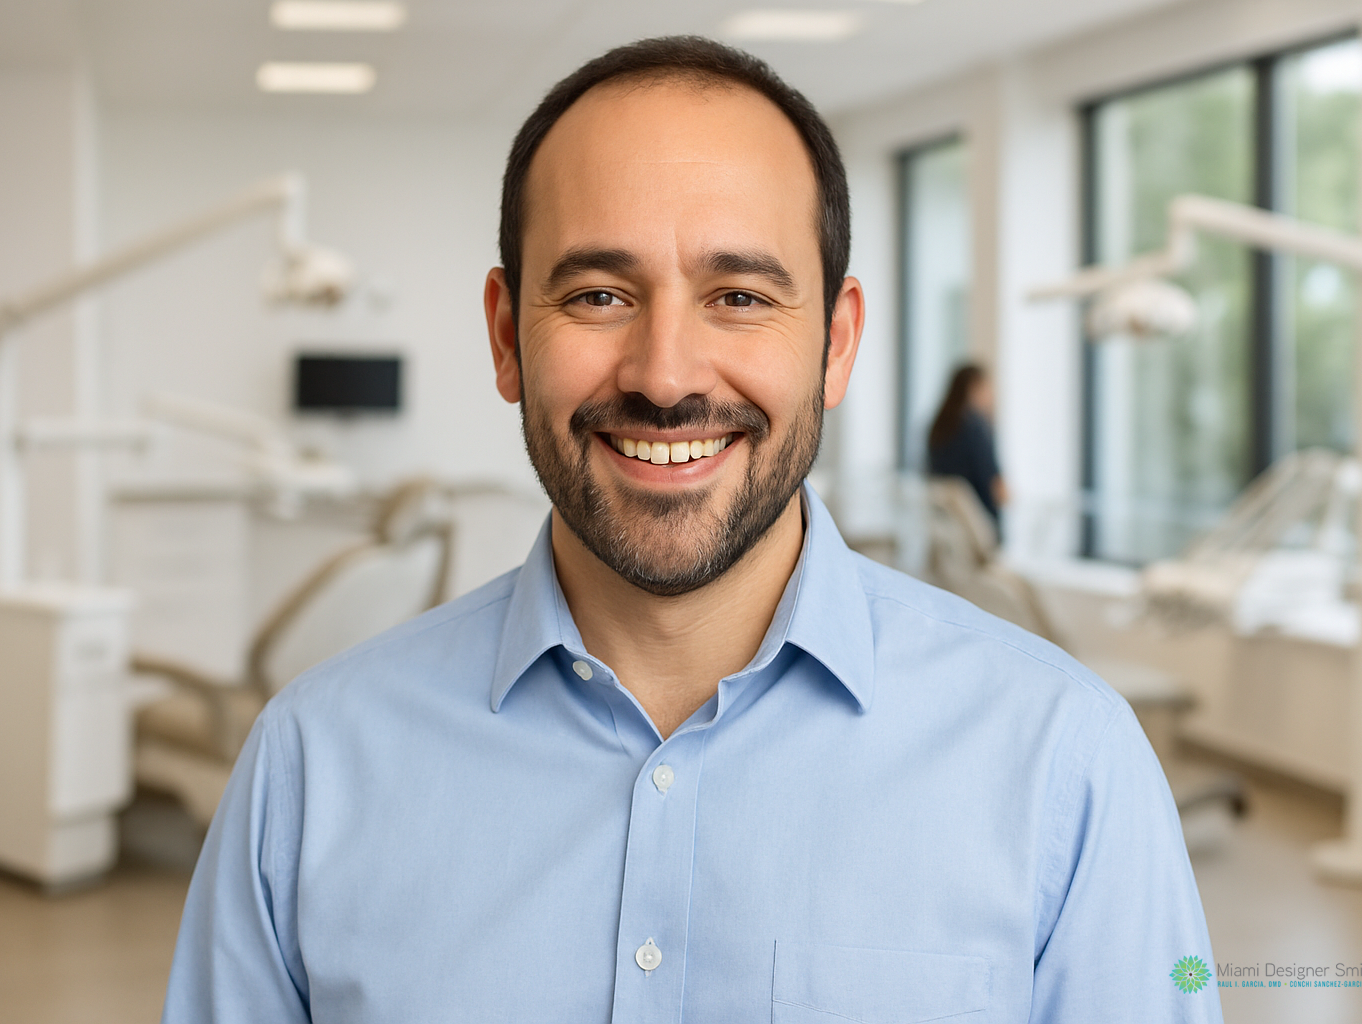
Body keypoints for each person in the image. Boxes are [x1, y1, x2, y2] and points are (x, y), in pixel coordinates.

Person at [162, 37, 1221, 1024]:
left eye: (741, 295)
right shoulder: (311, 768)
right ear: (504, 336)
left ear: (838, 343)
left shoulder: (1063, 764)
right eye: (599, 292)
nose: (665, 375)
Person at [928, 363, 1007, 534]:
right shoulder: (976, 426)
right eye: (988, 388)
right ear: (974, 387)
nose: (992, 395)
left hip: (946, 528)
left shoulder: (938, 426)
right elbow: (997, 487)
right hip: (977, 526)